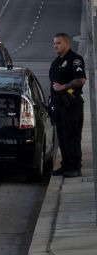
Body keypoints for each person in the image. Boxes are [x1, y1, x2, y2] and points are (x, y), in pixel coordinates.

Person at [49, 33, 86, 177]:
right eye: (54, 43)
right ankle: (65, 166)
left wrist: (63, 87)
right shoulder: (57, 62)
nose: (55, 46)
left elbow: (80, 80)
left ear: (66, 43)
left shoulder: (74, 59)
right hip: (59, 105)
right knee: (62, 136)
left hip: (71, 104)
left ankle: (75, 167)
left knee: (72, 136)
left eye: (58, 43)